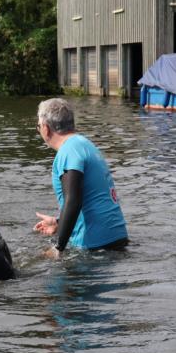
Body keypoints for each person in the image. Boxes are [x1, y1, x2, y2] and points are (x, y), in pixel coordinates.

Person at [34, 98, 128, 258]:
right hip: (116, 239)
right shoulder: (85, 144)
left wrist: (58, 247)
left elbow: (73, 200)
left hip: (95, 245)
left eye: (38, 126)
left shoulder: (68, 151)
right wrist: (58, 223)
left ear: (46, 128)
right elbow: (88, 198)